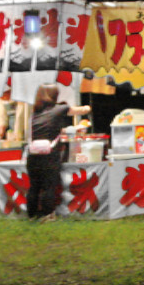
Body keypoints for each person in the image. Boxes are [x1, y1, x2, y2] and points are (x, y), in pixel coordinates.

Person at [26, 84, 90, 222]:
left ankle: (31, 215)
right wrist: (87, 108)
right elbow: (83, 110)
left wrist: (73, 128)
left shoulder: (35, 114)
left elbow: (53, 130)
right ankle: (47, 214)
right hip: (49, 155)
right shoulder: (60, 109)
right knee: (49, 185)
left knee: (34, 186)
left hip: (32, 155)